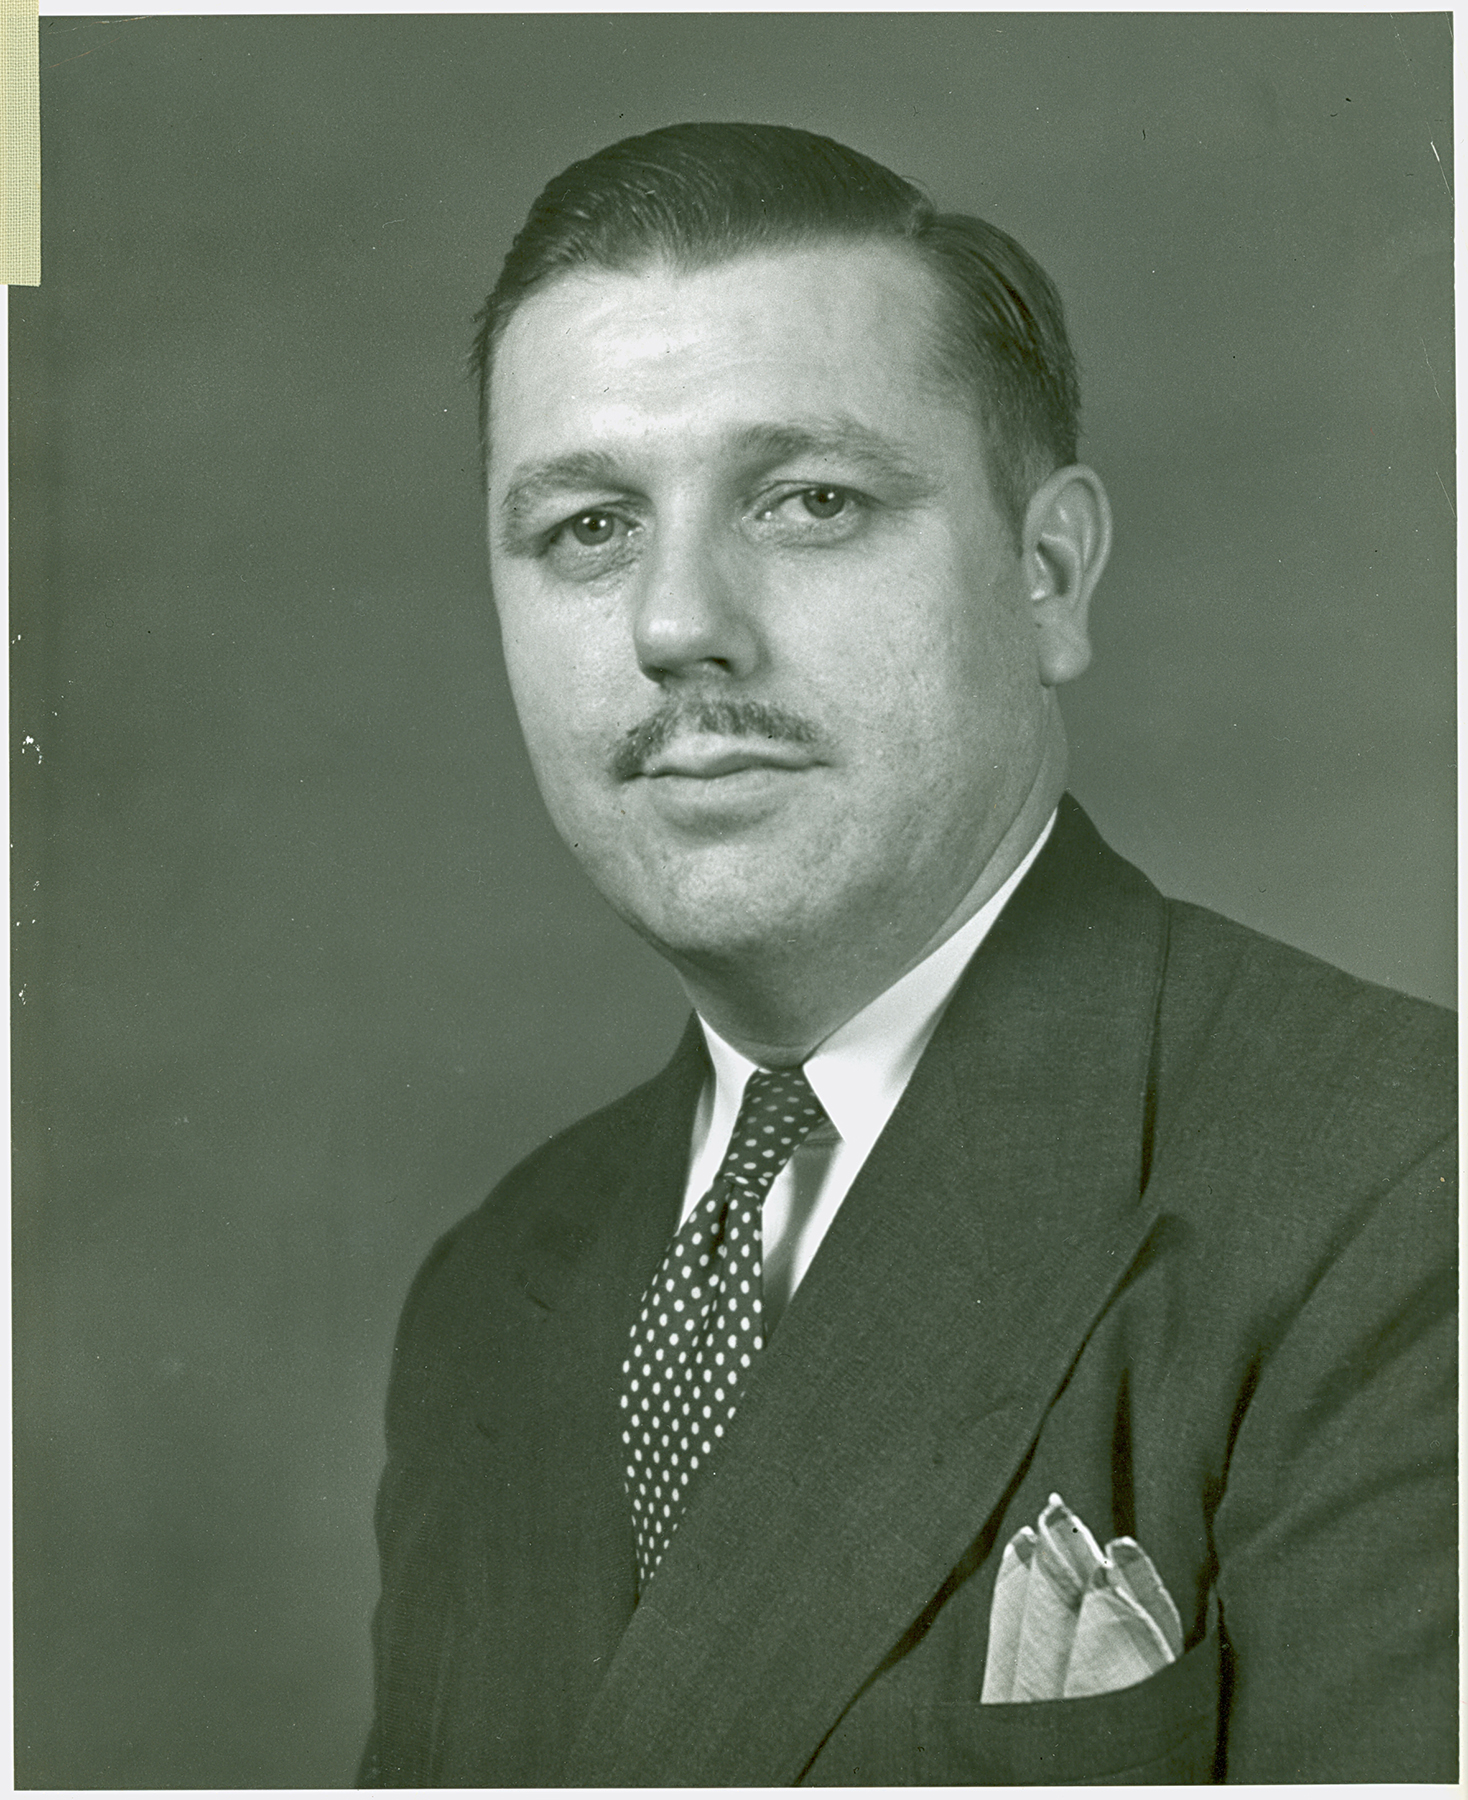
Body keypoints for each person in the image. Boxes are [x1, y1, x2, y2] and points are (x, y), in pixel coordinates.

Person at [357, 122, 1455, 1786]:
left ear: (1049, 575)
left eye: (810, 502)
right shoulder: (492, 1294)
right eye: (587, 527)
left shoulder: (1403, 1192)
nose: (676, 624)